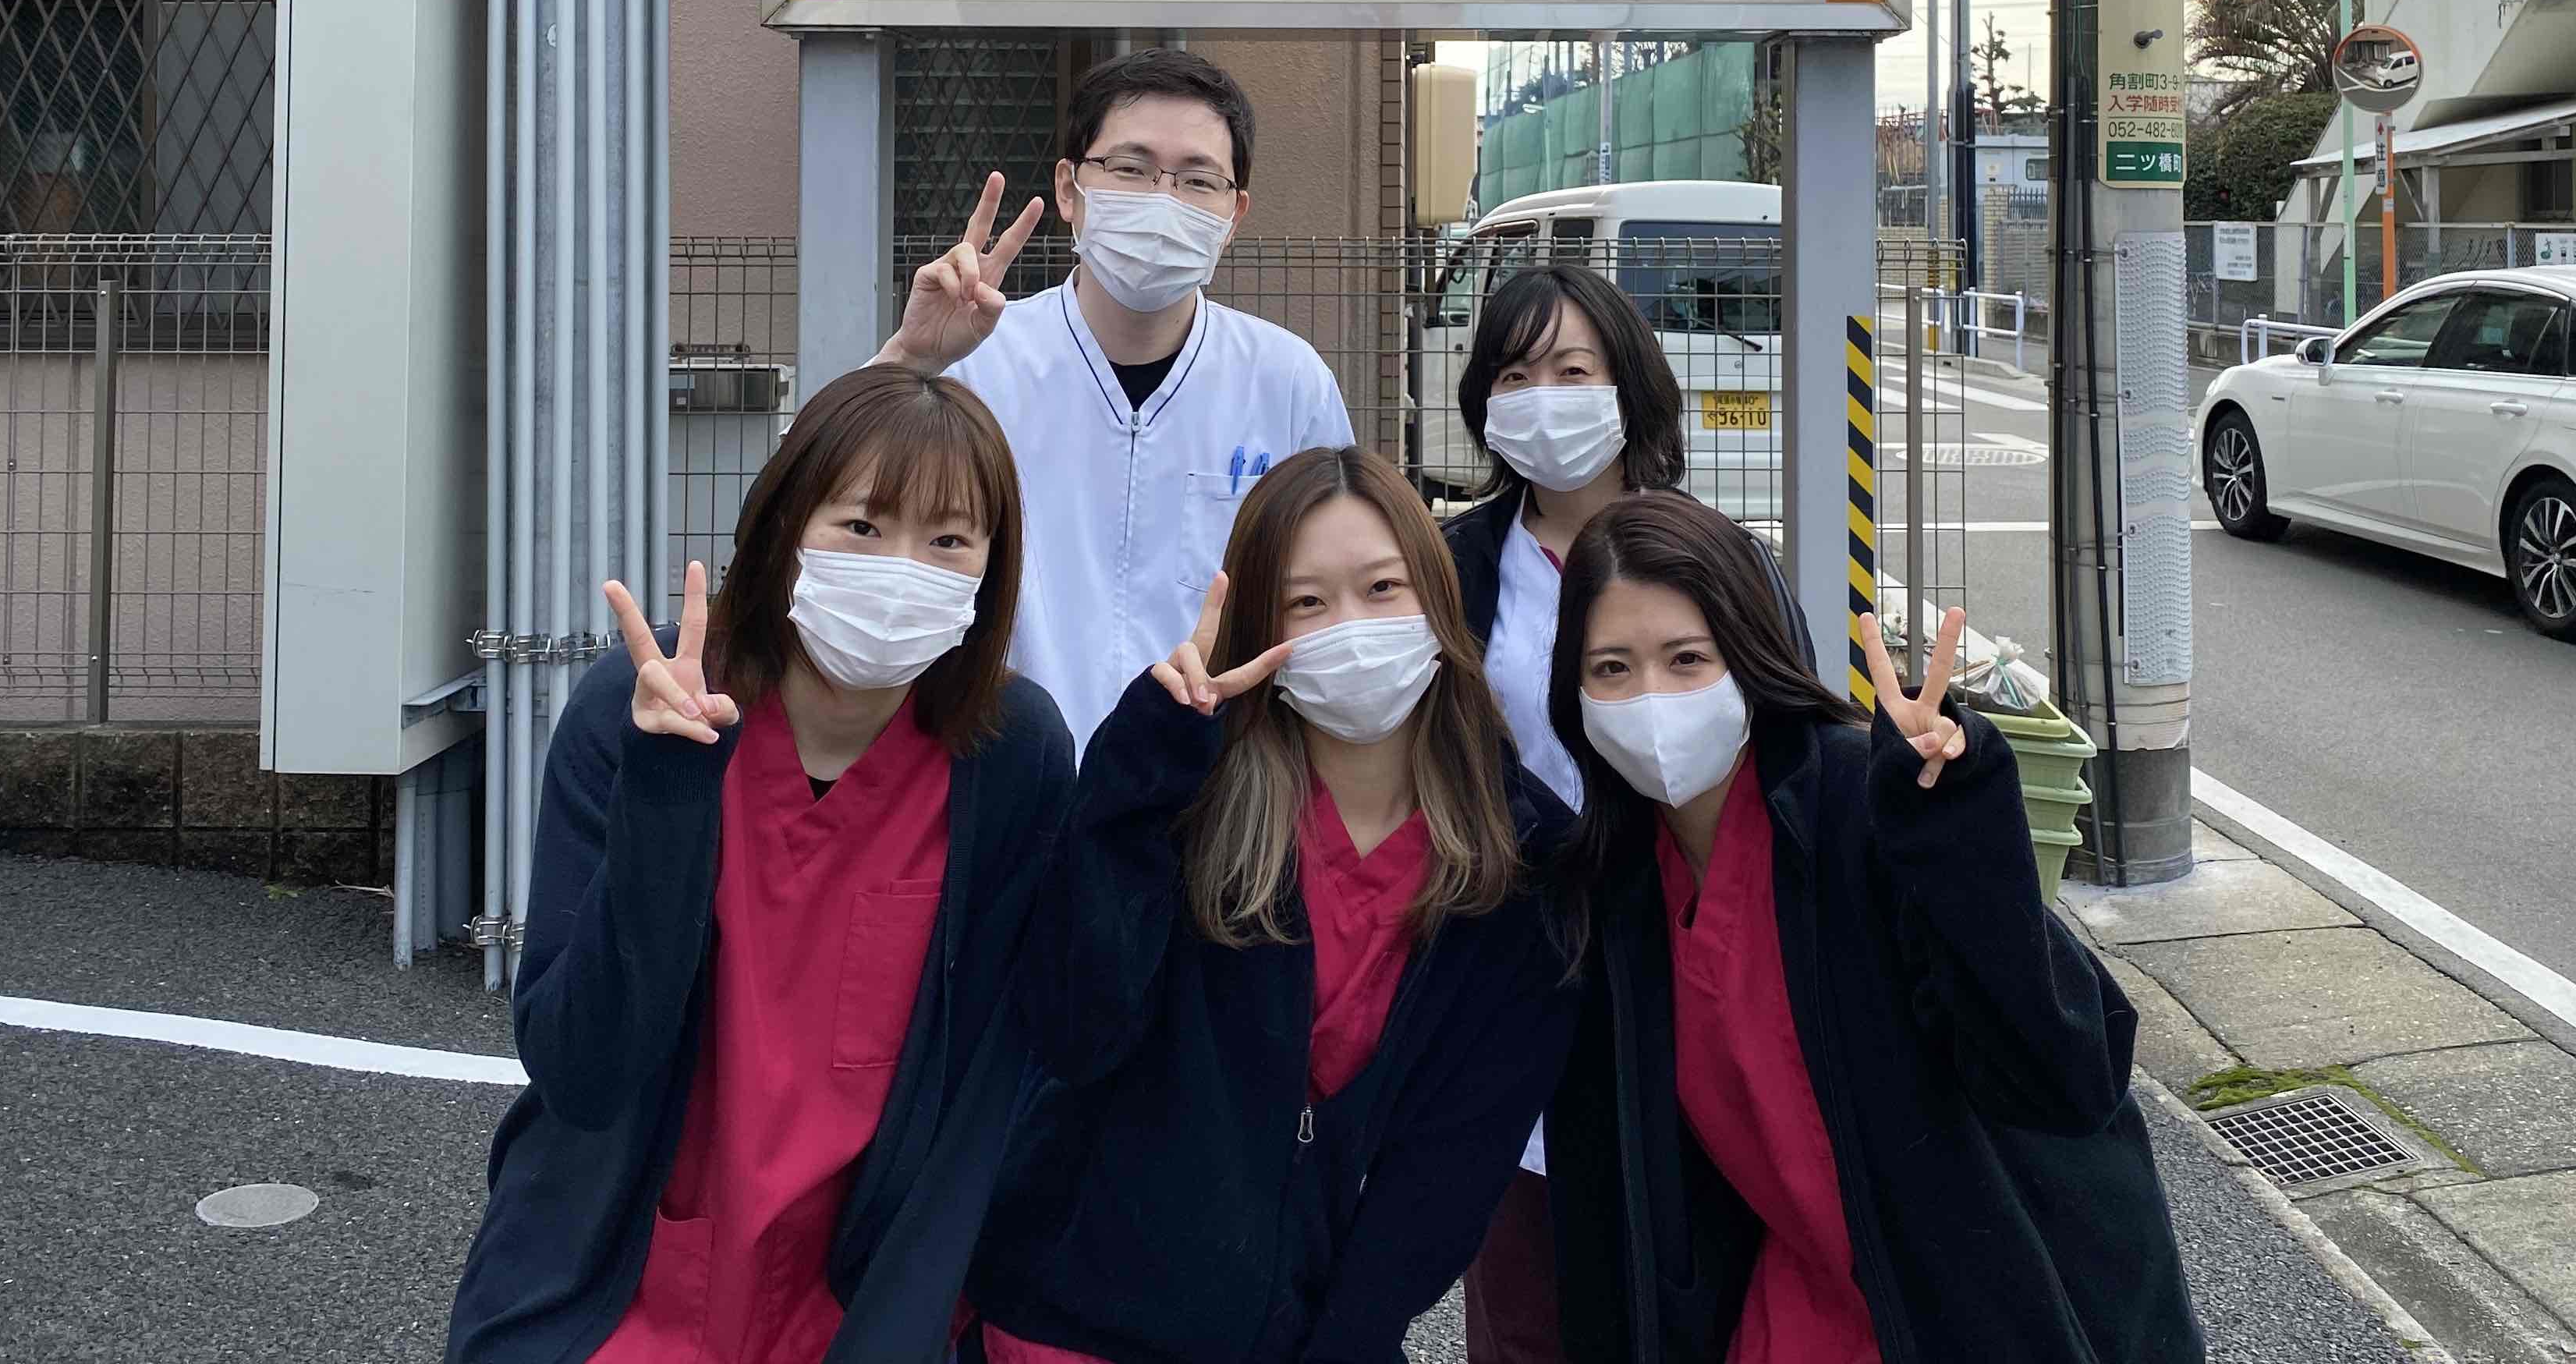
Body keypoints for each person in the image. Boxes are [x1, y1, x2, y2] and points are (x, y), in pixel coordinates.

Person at [445, 368, 1075, 1364]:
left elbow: (994, 1088)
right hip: (622, 1281)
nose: (904, 568)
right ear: (783, 532)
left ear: (992, 573)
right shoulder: (636, 708)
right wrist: (664, 794)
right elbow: (580, 1068)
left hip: (860, 1294)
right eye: (862, 527)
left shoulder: (1012, 752)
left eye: (949, 540)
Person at [1545, 491, 2202, 1364]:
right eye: (1613, 669)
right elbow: (1615, 1192)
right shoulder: (1611, 889)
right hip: (1795, 1306)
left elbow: (2066, 1075)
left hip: (1980, 1311)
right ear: (1574, 692)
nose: (1651, 699)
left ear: (1751, 655)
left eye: (1687, 658)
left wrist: (1958, 832)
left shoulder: (1865, 808)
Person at [969, 447, 1581, 1364]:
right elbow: (1074, 1030)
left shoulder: (1524, 859)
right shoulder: (1187, 791)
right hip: (1073, 1323)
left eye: (1383, 589)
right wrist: (1137, 766)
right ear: (1258, 626)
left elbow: (1449, 1171)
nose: (1352, 628)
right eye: (1308, 603)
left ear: (1438, 604)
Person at [1438, 263, 1820, 1364]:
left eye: (1573, 368)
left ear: (1628, 385)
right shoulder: (1456, 567)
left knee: (1698, 1262)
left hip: (1687, 958)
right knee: (1524, 1293)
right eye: (1516, 373)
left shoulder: (1720, 559)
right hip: (1517, 969)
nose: (1545, 396)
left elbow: (1784, 758)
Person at [876, 48, 1353, 749]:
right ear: (1070, 189)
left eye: (1198, 180)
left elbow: (1338, 588)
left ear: (1234, 212)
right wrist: (906, 361)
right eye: (1130, 170)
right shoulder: (977, 360)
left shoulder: (1286, 381)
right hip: (996, 759)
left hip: (1210, 782)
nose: (1162, 202)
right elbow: (812, 513)